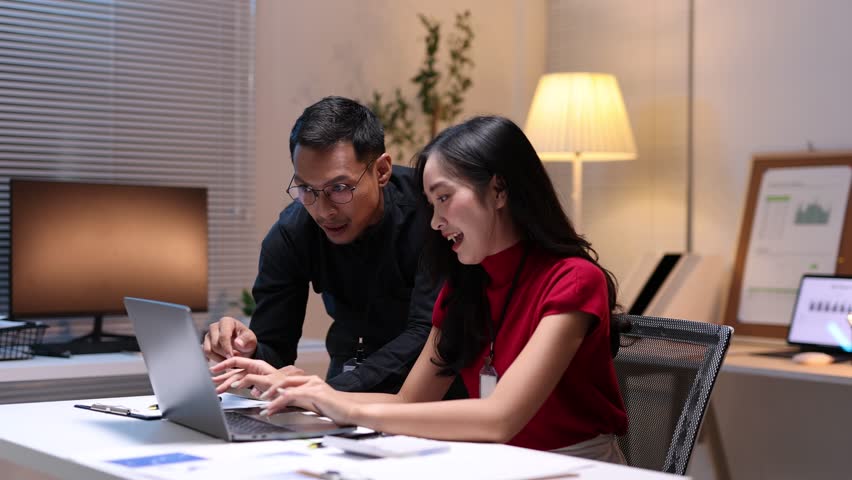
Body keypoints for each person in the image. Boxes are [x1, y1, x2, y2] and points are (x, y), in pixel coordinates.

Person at [211, 115, 628, 462]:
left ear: (499, 190)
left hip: (575, 464)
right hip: (497, 461)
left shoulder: (573, 280)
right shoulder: (466, 286)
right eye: (430, 204)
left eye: (444, 199)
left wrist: (341, 402)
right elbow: (410, 403)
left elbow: (500, 418)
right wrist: (307, 389)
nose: (434, 221)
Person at [203, 96, 463, 395]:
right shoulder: (292, 232)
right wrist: (245, 352)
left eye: (339, 188)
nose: (322, 210)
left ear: (381, 171)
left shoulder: (430, 215)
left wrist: (327, 392)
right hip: (344, 381)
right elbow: (274, 349)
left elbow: (426, 331)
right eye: (306, 189)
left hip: (434, 391)